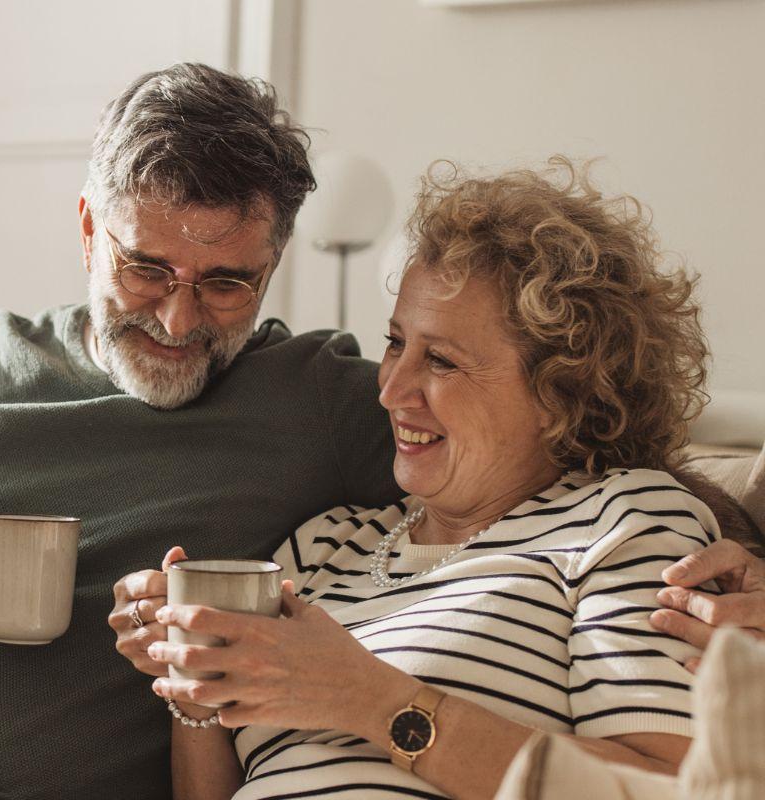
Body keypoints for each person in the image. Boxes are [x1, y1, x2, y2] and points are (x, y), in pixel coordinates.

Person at [0, 64, 765, 800]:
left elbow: (611, 451)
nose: (178, 314)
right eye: (146, 265)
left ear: (274, 265)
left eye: (225, 280)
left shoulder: (331, 404)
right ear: (86, 226)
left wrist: (755, 561)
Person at [134, 159, 726, 799]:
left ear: (561, 392)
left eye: (440, 360)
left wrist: (372, 701)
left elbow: (680, 787)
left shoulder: (623, 522)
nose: (390, 391)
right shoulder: (325, 545)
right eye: (395, 344)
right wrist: (190, 679)